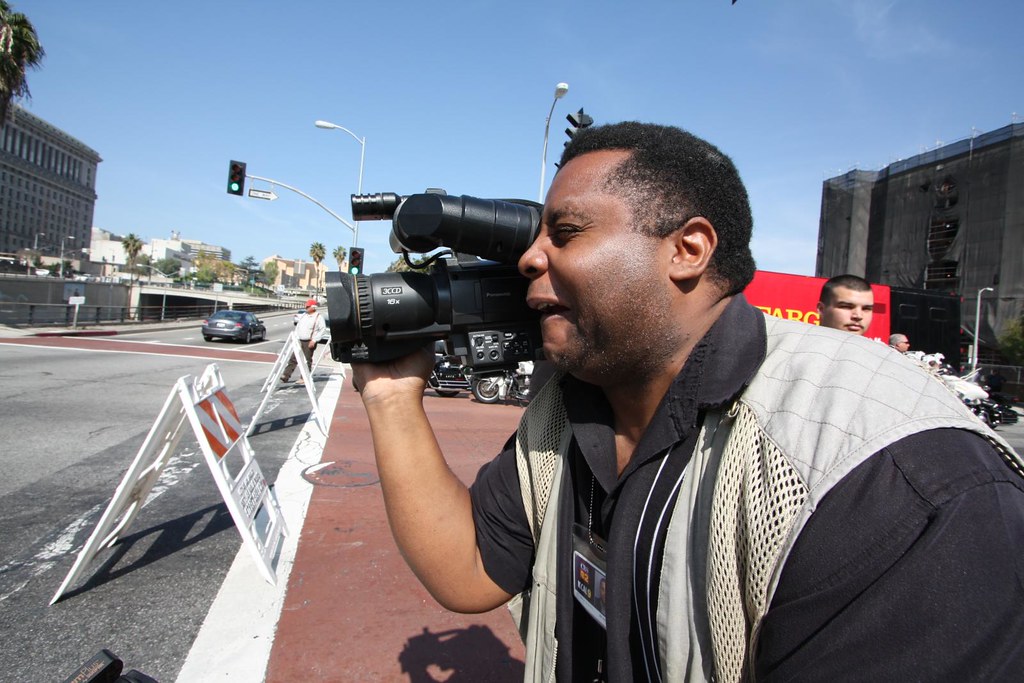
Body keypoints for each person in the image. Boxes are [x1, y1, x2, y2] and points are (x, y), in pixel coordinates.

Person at [351, 122, 1024, 681]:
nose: (531, 257)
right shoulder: (568, 405)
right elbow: (470, 567)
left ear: (689, 248)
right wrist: (390, 396)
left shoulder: (893, 483)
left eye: (566, 232)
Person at [280, 298, 325, 385]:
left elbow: (322, 330)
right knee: (293, 358)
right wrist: (296, 337)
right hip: (299, 340)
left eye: (308, 306)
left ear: (313, 307)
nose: (306, 308)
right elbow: (298, 327)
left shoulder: (318, 317)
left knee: (307, 360)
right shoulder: (304, 315)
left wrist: (314, 340)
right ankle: (286, 375)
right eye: (306, 306)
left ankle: (304, 377)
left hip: (309, 341)